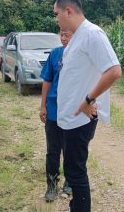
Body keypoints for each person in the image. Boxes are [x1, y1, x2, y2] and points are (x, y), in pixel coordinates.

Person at [53, 0, 122, 212]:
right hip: (69, 118)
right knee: (72, 168)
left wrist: (87, 100)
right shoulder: (77, 36)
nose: (56, 19)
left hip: (80, 119)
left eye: (57, 14)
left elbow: (113, 71)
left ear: (68, 11)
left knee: (75, 171)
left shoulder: (92, 34)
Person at [39, 29, 73, 201]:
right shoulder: (55, 54)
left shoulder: (81, 55)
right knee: (53, 150)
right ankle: (52, 184)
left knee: (70, 149)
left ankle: (69, 181)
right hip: (54, 109)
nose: (64, 38)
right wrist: (43, 105)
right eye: (62, 35)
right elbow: (47, 80)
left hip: (73, 111)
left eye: (68, 35)